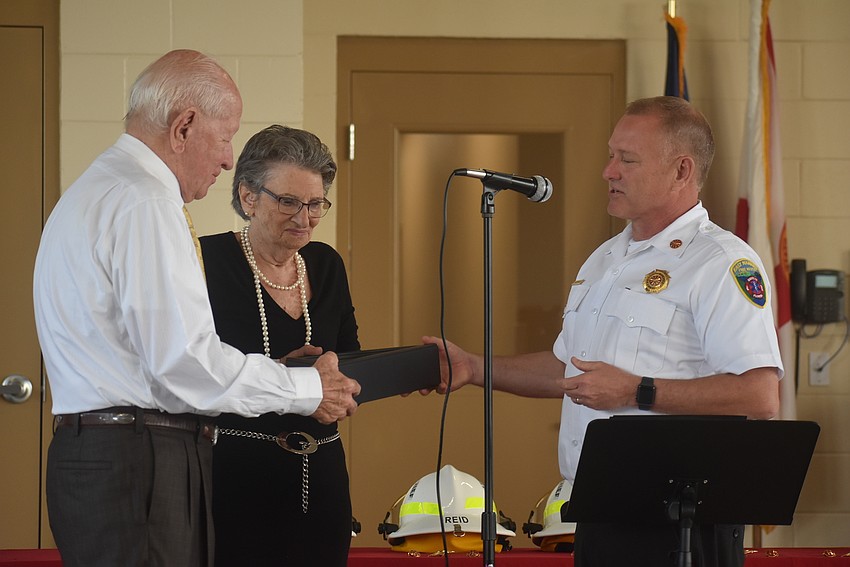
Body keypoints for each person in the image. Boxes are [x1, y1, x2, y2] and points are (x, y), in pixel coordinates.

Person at [32, 50, 360, 567]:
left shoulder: (94, 190)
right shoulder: (146, 201)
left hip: (104, 450)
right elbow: (184, 362)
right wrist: (306, 386)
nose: (229, 159)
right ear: (184, 126)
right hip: (140, 454)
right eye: (226, 136)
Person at [424, 96, 782, 567]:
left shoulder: (719, 263)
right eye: (611, 155)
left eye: (626, 159)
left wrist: (639, 391)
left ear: (680, 171)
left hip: (682, 524)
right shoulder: (608, 258)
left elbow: (759, 395)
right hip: (598, 512)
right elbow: (569, 368)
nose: (608, 171)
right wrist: (473, 367)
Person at [199, 125, 358, 566]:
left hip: (321, 474)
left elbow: (348, 357)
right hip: (234, 472)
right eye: (288, 202)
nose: (304, 218)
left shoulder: (326, 264)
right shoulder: (204, 260)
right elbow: (193, 370)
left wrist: (352, 377)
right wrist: (287, 376)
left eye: (315, 204)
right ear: (248, 197)